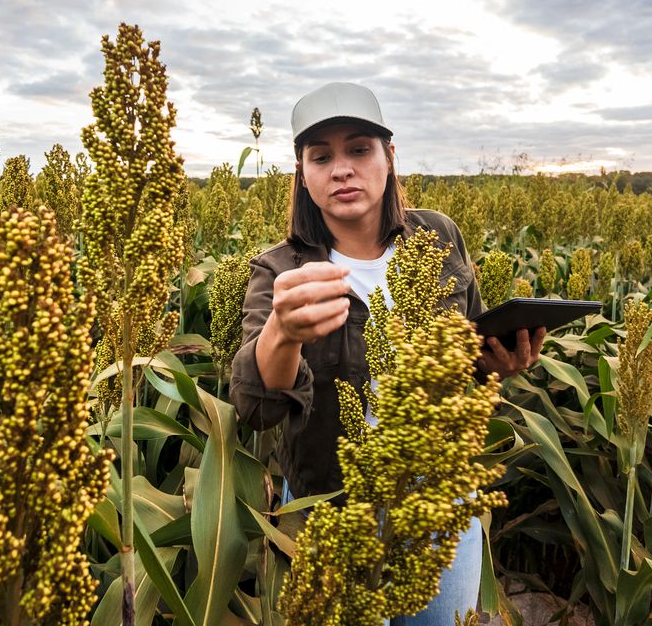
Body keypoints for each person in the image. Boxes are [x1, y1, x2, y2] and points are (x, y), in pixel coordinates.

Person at [229, 82, 545, 625]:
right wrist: (282, 332)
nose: (342, 169)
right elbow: (259, 408)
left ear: (389, 157)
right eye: (321, 156)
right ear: (302, 173)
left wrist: (496, 363)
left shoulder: (439, 236)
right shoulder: (281, 270)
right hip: (332, 504)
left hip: (438, 492)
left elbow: (464, 349)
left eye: (359, 149)